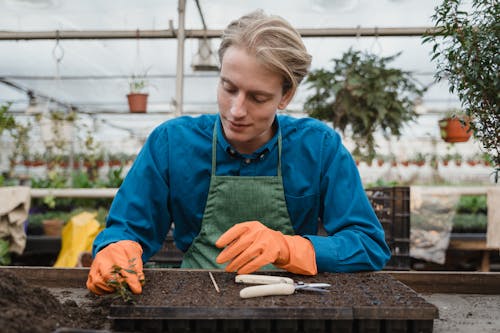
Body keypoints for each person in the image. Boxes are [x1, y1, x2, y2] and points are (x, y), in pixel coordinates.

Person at [86, 10, 391, 295]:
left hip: (288, 305)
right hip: (193, 304)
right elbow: (127, 227)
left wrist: (289, 249)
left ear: (286, 95)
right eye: (228, 88)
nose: (236, 110)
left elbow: (368, 245)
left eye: (258, 97)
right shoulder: (171, 144)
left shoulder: (319, 148)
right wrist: (117, 248)